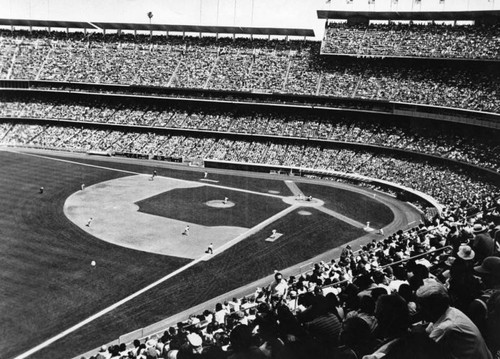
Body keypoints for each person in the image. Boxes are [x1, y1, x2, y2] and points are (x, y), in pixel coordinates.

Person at [415, 279, 492, 359]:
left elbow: (421, 351)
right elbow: (430, 329)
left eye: (423, 306)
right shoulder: (451, 311)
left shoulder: (446, 327)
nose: (419, 310)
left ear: (435, 306)